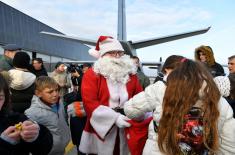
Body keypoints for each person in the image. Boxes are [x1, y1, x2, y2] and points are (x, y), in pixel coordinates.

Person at [79, 36, 143, 155]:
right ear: (102, 56)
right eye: (112, 53)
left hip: (128, 125)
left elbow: (140, 98)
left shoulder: (131, 75)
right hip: (101, 129)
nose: (117, 56)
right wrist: (114, 118)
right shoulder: (92, 75)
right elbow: (90, 103)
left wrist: (138, 113)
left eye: (120, 52)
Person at [124, 55, 184, 155]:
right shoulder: (198, 88)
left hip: (158, 146)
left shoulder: (158, 87)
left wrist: (146, 115)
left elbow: (130, 110)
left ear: (166, 69)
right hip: (186, 146)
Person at [0, 74, 53, 155]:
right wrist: (4, 145)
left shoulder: (14, 119)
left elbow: (43, 149)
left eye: (0, 98)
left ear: (6, 99)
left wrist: (37, 134)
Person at [24, 76, 71, 155]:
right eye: (50, 92)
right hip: (47, 151)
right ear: (38, 93)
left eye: (56, 90)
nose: (55, 94)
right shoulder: (32, 113)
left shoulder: (59, 103)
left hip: (62, 148)